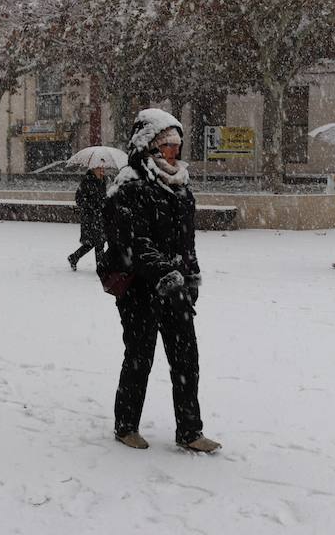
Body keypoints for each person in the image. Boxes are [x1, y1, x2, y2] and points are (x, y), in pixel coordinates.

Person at [99, 108, 220, 453]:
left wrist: (190, 276)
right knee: (139, 356)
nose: (173, 151)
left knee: (186, 360)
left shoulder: (181, 186)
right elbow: (132, 243)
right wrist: (164, 271)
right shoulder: (128, 186)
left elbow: (187, 241)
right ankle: (126, 425)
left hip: (176, 287)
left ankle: (190, 431)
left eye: (176, 145)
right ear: (147, 146)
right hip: (139, 288)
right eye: (166, 145)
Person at [68, 166, 107, 271]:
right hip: (90, 218)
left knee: (96, 242)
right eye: (100, 168)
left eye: (103, 168)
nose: (103, 170)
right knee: (95, 242)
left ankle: (74, 257)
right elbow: (79, 199)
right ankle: (101, 267)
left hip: (100, 217)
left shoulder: (103, 181)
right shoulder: (87, 181)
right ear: (94, 170)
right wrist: (92, 205)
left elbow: (103, 198)